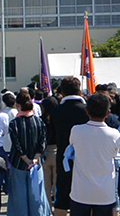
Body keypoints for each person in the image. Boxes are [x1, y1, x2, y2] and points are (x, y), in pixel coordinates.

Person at [69, 93, 120, 215]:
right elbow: (114, 154)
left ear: (86, 111)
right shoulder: (114, 135)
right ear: (108, 113)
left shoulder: (76, 130)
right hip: (105, 192)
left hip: (80, 191)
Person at [49, 77, 89, 216]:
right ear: (79, 90)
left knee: (62, 199)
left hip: (63, 159)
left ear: (63, 92)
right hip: (86, 160)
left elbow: (51, 137)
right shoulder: (88, 110)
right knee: (86, 199)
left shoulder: (56, 112)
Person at [7, 91, 50, 216]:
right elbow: (42, 144)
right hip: (37, 165)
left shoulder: (14, 124)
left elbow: (16, 145)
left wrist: (26, 159)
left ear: (18, 105)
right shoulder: (39, 122)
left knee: (19, 197)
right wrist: (35, 159)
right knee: (37, 196)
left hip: (18, 163)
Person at [40, 95, 59, 209]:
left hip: (45, 152)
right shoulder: (59, 118)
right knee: (57, 183)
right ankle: (57, 206)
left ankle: (47, 207)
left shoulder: (40, 120)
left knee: (46, 184)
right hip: (57, 150)